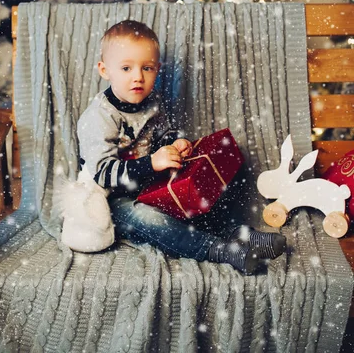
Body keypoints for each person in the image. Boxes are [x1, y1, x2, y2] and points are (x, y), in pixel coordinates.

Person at [77, 20, 286, 274]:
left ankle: (240, 234)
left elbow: (163, 135)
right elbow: (103, 173)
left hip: (150, 185)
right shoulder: (99, 117)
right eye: (125, 68)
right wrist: (152, 163)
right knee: (150, 220)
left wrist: (175, 144)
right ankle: (219, 249)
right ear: (104, 70)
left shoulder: (152, 102)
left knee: (194, 195)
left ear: (158, 69)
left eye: (147, 68)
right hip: (112, 199)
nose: (138, 77)